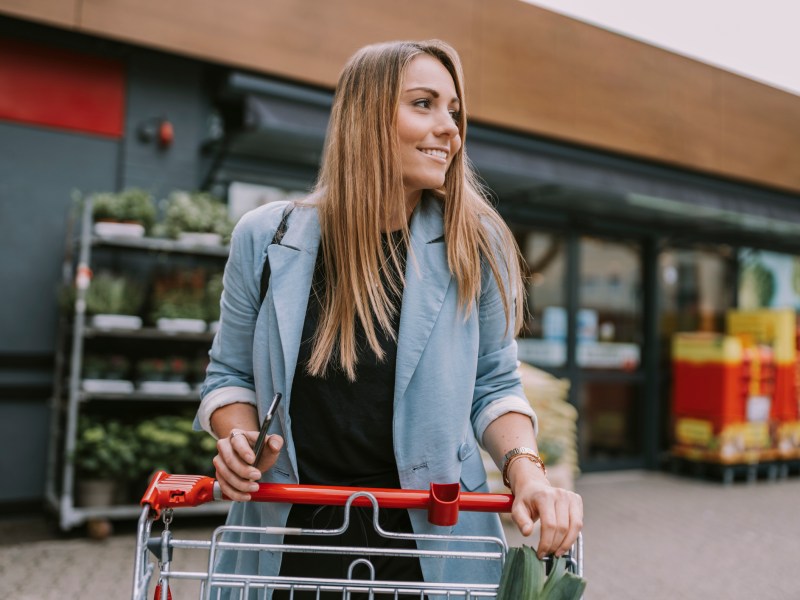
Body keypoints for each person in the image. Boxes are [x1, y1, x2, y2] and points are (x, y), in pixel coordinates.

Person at [197, 39, 583, 598]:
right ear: (366, 117)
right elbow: (228, 375)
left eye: (454, 110)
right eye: (424, 103)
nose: (450, 128)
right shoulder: (266, 237)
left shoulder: (475, 244)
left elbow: (494, 385)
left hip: (430, 549)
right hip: (288, 545)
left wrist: (527, 471)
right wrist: (238, 440)